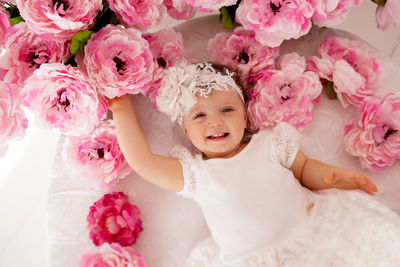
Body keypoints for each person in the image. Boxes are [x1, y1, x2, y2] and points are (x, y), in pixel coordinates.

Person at [108, 62, 400, 266]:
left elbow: (305, 169)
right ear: (186, 131)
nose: (216, 121)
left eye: (226, 110)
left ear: (244, 117)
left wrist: (333, 176)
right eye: (200, 116)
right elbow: (143, 161)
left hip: (310, 235)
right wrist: (121, 109)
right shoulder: (195, 173)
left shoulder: (270, 145)